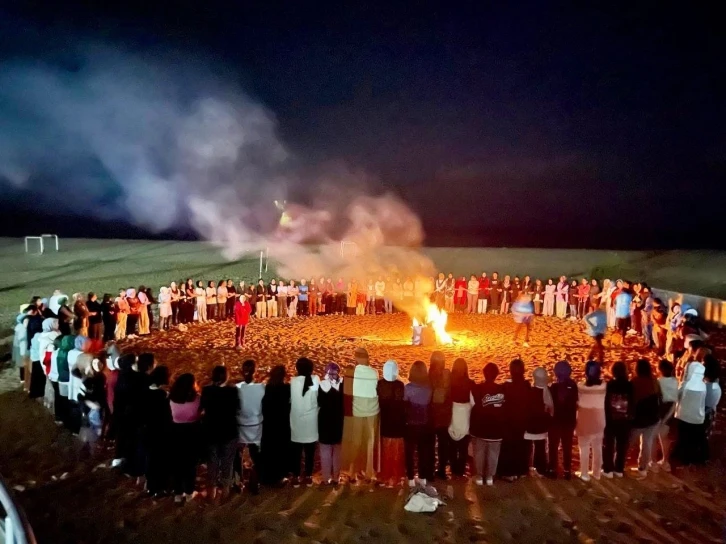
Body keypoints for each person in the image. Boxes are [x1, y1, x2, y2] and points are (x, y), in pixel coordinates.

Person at [201, 365, 240, 500]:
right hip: (229, 430)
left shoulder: (206, 390)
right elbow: (237, 409)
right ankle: (225, 489)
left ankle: (211, 490)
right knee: (227, 462)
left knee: (212, 462)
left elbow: (203, 407)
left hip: (211, 430)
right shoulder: (232, 391)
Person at [341, 347, 380, 482]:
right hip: (372, 410)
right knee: (370, 441)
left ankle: (353, 471)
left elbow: (347, 393)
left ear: (356, 358)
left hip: (357, 410)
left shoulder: (351, 373)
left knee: (356, 441)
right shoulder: (374, 372)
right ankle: (369, 471)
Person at [470, 363, 505, 486]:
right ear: (497, 375)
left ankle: (480, 476)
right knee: (493, 453)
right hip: (496, 428)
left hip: (480, 428)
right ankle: (490, 476)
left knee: (479, 453)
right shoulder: (502, 389)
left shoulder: (476, 389)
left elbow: (472, 405)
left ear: (484, 374)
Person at [169, 373, 201, 503]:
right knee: (190, 464)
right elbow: (200, 414)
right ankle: (189, 492)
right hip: (192, 432)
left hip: (176, 432)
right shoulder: (197, 399)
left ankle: (177, 493)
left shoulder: (171, 398)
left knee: (177, 463)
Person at [499, 359, 531, 481]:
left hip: (509, 422)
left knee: (508, 447)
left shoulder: (506, 387)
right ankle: (521, 470)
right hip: (522, 422)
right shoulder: (527, 386)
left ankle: (508, 472)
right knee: (522, 446)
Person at [236, 360, 265, 493]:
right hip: (255, 425)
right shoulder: (261, 388)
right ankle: (255, 480)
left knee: (238, 454)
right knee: (256, 454)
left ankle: (239, 481)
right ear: (255, 371)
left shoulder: (237, 388)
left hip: (241, 425)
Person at [143, 366, 172, 498]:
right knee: (161, 460)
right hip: (161, 431)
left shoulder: (146, 392)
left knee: (151, 459)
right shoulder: (162, 396)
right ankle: (161, 487)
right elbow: (167, 415)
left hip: (148, 431)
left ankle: (151, 487)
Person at [290, 357, 319, 487]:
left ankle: (296, 476)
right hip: (311, 422)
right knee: (310, 452)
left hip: (296, 421)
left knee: (296, 452)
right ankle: (308, 476)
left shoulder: (293, 381)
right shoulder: (315, 380)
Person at [404, 360, 434, 486]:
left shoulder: (407, 388)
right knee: (423, 453)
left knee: (410, 453)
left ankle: (411, 478)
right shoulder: (428, 389)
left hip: (411, 424)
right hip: (424, 424)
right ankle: (422, 478)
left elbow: (405, 406)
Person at [630, 359, 661, 478]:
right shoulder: (654, 381)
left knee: (628, 442)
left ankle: (618, 465)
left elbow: (632, 400)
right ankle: (643, 467)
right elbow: (659, 396)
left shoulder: (635, 382)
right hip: (653, 418)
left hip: (638, 419)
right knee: (647, 443)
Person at [260, 365, 291, 486]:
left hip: (268, 424)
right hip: (282, 423)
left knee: (269, 450)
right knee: (281, 450)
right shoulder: (286, 389)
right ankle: (279, 477)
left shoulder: (267, 388)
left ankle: (266, 476)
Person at [377, 360, 406, 487]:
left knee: (386, 452)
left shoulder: (380, 384)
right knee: (397, 452)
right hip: (398, 424)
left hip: (385, 422)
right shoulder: (400, 385)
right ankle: (396, 476)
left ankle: (386, 476)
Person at [602, 361, 633, 478]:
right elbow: (632, 401)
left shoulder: (610, 385)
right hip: (624, 419)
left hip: (610, 419)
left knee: (609, 445)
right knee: (622, 445)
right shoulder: (629, 385)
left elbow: (606, 402)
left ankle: (608, 469)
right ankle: (619, 469)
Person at [576, 361, 606, 481]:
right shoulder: (604, 386)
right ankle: (597, 473)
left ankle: (584, 474)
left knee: (584, 447)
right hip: (599, 420)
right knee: (597, 447)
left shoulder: (580, 387)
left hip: (584, 421)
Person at [548, 361, 578, 479]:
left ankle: (552, 469)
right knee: (567, 446)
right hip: (568, 421)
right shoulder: (573, 386)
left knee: (553, 446)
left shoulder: (553, 387)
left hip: (555, 422)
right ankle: (567, 470)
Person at [675, 362, 707, 465]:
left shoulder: (685, 384)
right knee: (693, 439)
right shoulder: (703, 385)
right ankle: (695, 458)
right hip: (698, 417)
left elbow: (677, 396)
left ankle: (684, 460)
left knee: (684, 439)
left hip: (684, 417)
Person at [318, 363, 344, 485]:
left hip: (324, 422)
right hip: (338, 422)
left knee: (325, 451)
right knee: (337, 452)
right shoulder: (342, 386)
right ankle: (336, 477)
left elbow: (318, 402)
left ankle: (326, 478)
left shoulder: (321, 386)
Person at [525, 367, 553, 477]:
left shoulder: (529, 391)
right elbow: (551, 411)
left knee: (528, 448)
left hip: (529, 427)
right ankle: (540, 469)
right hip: (541, 428)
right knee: (540, 448)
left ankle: (526, 468)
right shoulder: (547, 392)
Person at [448, 358, 473, 477]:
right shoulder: (470, 383)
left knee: (452, 444)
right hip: (465, 415)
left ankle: (454, 469)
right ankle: (461, 470)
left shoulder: (450, 382)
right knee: (463, 446)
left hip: (453, 413)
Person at [429, 351, 452, 480]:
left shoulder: (429, 375)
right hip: (444, 416)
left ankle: (430, 470)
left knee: (430, 445)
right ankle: (442, 470)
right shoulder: (447, 375)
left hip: (432, 416)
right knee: (443, 444)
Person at [655, 360, 678, 471]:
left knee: (656, 437)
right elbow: (675, 400)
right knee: (664, 437)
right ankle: (665, 461)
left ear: (659, 370)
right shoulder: (675, 381)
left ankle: (654, 462)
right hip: (671, 409)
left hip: (662, 409)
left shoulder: (658, 382)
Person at [703, 355, 722, 462]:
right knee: (706, 435)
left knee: (702, 436)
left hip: (704, 414)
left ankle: (702, 456)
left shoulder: (706, 388)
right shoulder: (716, 384)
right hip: (711, 412)